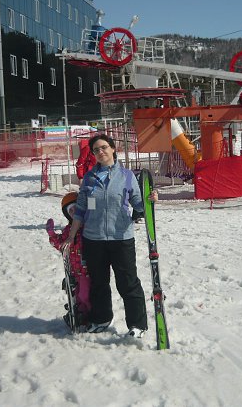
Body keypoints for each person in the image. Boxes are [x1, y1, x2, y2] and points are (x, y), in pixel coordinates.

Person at [62, 134, 157, 338]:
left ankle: (137, 324)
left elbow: (138, 204)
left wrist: (150, 200)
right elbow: (81, 210)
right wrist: (71, 235)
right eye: (96, 150)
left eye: (104, 147)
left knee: (128, 282)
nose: (100, 152)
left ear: (113, 149)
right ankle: (101, 319)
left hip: (121, 238)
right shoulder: (89, 178)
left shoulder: (127, 176)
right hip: (93, 239)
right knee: (98, 283)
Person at [46, 192, 91, 328]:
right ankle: (81, 315)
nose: (74, 212)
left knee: (85, 294)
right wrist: (52, 234)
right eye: (70, 210)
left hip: (87, 270)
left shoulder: (89, 227)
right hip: (75, 271)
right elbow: (61, 245)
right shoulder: (68, 230)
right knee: (78, 295)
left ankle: (92, 315)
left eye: (76, 208)